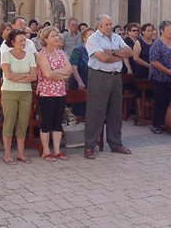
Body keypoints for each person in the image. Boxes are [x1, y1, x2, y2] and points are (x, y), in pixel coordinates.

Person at [84, 14, 133, 159]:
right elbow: (102, 58)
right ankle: (90, 146)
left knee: (115, 111)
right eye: (106, 24)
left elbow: (129, 52)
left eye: (110, 24)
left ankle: (115, 143)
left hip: (116, 77)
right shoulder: (93, 39)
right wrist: (119, 55)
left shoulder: (117, 38)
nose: (110, 27)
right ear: (99, 25)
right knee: (96, 111)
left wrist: (112, 52)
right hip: (99, 76)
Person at [0, 29, 37, 165]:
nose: (23, 42)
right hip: (9, 92)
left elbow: (33, 76)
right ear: (13, 42)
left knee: (23, 123)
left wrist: (18, 78)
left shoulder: (29, 56)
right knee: (9, 122)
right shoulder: (6, 55)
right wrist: (24, 77)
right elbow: (8, 75)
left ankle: (21, 154)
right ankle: (7, 154)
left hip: (26, 93)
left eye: (24, 40)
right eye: (20, 40)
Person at [36, 26, 73, 161]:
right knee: (47, 121)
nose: (56, 38)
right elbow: (47, 74)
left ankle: (57, 150)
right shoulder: (41, 54)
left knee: (58, 121)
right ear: (45, 39)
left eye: (56, 35)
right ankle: (46, 151)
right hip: (46, 93)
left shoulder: (61, 53)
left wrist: (56, 73)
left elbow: (69, 70)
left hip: (60, 91)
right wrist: (60, 74)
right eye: (53, 36)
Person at [149, 20, 171, 134]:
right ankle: (156, 124)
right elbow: (153, 61)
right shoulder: (157, 44)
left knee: (168, 101)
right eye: (168, 29)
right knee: (159, 100)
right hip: (159, 77)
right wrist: (167, 71)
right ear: (162, 31)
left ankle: (165, 121)